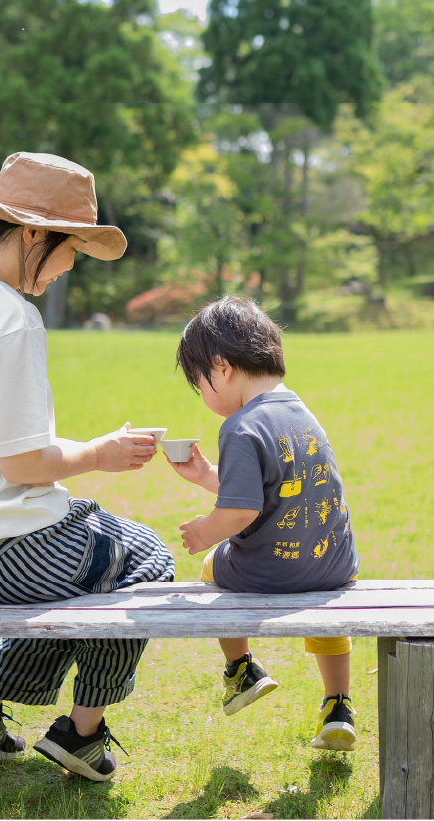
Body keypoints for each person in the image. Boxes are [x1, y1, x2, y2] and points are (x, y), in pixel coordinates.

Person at [0, 152, 175, 782]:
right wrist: (99, 455)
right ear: (33, 234)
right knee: (146, 558)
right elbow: (22, 465)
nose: (71, 264)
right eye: (71, 248)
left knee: (83, 559)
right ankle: (83, 733)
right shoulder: (11, 318)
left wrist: (84, 453)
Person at [167, 296, 359, 751]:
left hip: (271, 571)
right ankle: (338, 704)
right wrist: (206, 476)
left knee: (214, 566)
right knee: (326, 613)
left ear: (221, 368)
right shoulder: (301, 413)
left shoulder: (239, 426)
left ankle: (241, 670)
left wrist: (204, 532)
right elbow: (274, 487)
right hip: (332, 567)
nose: (203, 396)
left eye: (200, 384)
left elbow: (241, 511)